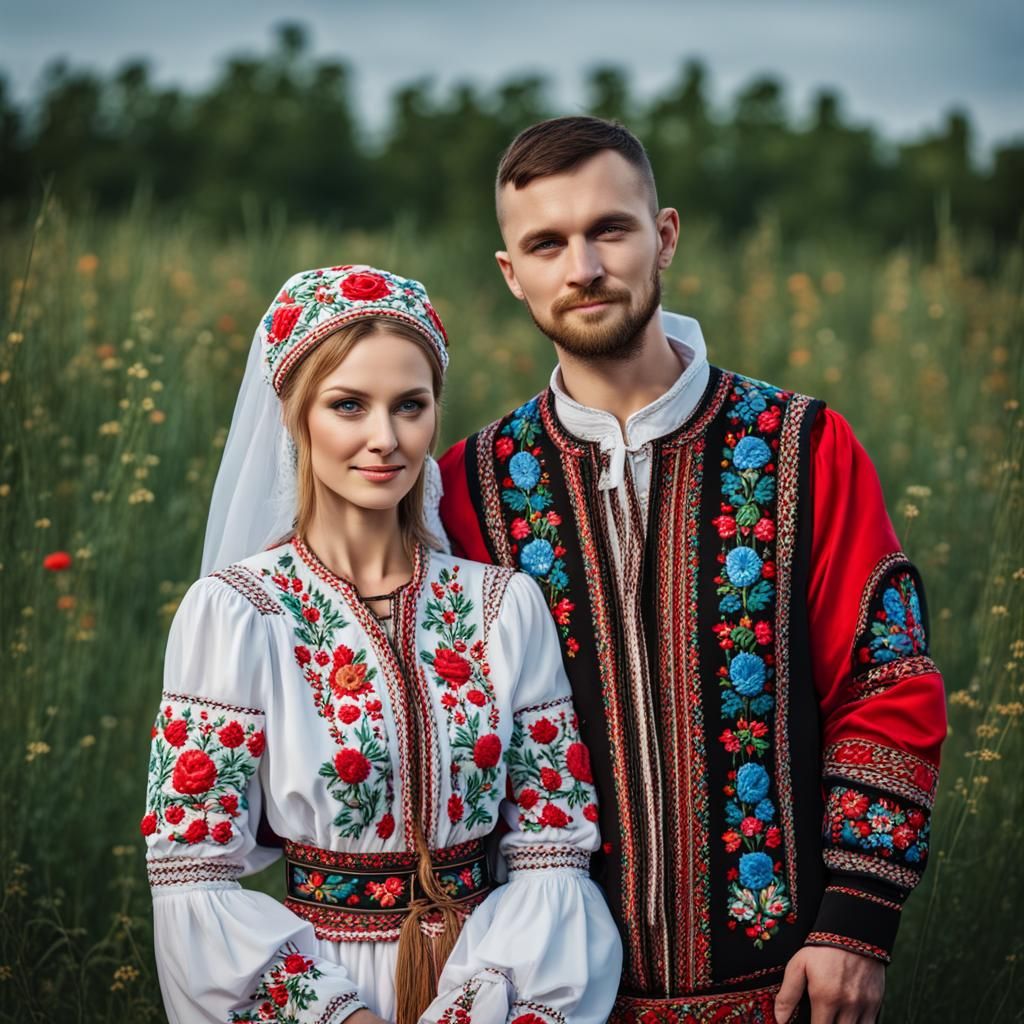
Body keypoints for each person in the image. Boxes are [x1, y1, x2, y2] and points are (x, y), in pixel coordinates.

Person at [439, 117, 947, 1023]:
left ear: (664, 235)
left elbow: (888, 683)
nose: (583, 267)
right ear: (512, 275)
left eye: (610, 230)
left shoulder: (800, 448)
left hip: (787, 986)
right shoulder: (468, 489)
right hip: (549, 997)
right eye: (547, 243)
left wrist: (855, 928)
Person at [140, 265, 621, 1024]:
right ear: (296, 417)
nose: (385, 439)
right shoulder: (237, 614)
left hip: (493, 978)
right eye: (348, 406)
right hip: (325, 986)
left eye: (410, 406)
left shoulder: (501, 607)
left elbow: (552, 849)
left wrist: (480, 1004)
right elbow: (192, 871)